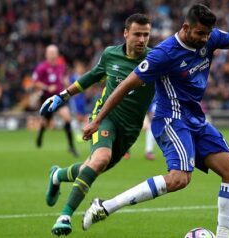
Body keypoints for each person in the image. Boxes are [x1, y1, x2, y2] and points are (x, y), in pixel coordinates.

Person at [81, 4, 229, 238]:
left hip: (195, 119)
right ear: (186, 28)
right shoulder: (164, 54)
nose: (205, 39)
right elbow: (124, 86)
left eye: (207, 34)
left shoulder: (210, 37)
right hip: (171, 119)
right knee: (180, 179)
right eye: (200, 34)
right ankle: (105, 206)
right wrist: (97, 120)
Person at [39, 13, 153, 236]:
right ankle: (65, 216)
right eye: (137, 34)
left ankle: (57, 176)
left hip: (130, 130)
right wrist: (62, 96)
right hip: (104, 117)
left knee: (90, 168)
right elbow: (92, 76)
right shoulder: (111, 54)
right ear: (125, 33)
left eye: (146, 35)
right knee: (100, 159)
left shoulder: (156, 60)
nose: (142, 39)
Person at [33, 44, 79, 157]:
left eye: (54, 53)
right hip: (48, 99)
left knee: (67, 118)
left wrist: (68, 85)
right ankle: (40, 133)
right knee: (47, 123)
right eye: (51, 53)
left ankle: (71, 146)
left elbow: (63, 78)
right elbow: (35, 82)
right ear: (47, 54)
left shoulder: (61, 66)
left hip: (59, 97)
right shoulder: (42, 67)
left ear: (57, 54)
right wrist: (47, 88)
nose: (53, 55)